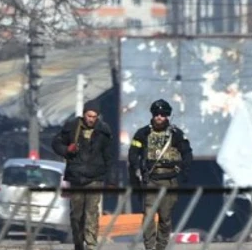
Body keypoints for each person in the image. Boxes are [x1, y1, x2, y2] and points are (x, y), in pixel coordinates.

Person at [128, 99, 193, 250]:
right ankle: (150, 247)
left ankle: (161, 247)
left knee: (165, 218)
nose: (159, 117)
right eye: (156, 114)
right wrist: (137, 169)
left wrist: (183, 170)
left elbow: (187, 153)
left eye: (162, 114)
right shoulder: (142, 133)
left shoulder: (176, 134)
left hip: (170, 181)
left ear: (167, 116)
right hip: (151, 180)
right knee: (149, 217)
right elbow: (133, 153)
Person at [51, 101, 114, 250]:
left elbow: (108, 156)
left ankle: (91, 244)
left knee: (91, 212)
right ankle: (78, 243)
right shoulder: (72, 127)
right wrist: (67, 149)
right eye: (89, 115)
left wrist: (110, 179)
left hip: (95, 177)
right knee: (76, 215)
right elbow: (56, 143)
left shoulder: (103, 130)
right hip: (76, 177)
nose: (91, 119)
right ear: (84, 114)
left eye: (94, 116)